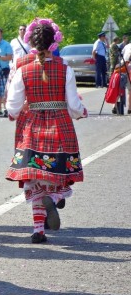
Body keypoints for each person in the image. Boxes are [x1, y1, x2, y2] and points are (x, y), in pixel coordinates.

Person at [6, 18, 87, 244]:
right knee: (57, 176)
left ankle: (38, 230)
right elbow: (73, 106)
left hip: (31, 126)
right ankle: (54, 196)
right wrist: (82, 112)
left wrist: (15, 112)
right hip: (60, 125)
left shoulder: (23, 68)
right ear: (54, 42)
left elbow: (12, 106)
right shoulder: (65, 69)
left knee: (35, 178)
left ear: (31, 41)